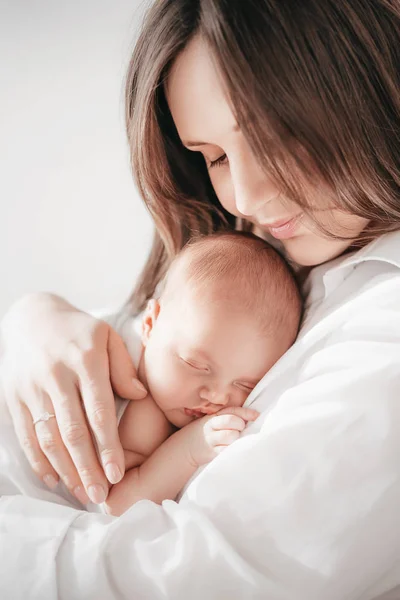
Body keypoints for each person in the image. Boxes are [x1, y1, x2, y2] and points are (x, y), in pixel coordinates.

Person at [0, 0, 400, 598]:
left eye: (275, 136)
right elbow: (148, 333)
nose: (245, 195)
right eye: (212, 156)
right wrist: (33, 318)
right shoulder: (279, 249)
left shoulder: (381, 328)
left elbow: (181, 575)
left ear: (359, 88)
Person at [95, 231, 301, 515]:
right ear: (150, 324)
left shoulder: (168, 381)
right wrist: (190, 448)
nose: (216, 395)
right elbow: (115, 504)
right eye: (195, 364)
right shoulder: (143, 403)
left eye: (245, 384)